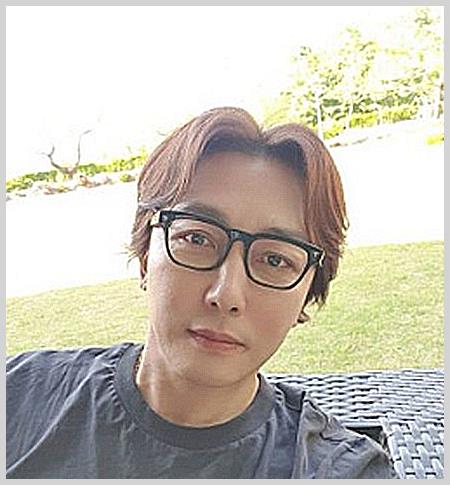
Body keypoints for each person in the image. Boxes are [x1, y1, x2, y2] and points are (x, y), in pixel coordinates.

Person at [6, 107, 397, 479]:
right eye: (196, 238)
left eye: (275, 260)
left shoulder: (342, 472)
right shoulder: (18, 398)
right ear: (145, 255)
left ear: (307, 295)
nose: (226, 295)